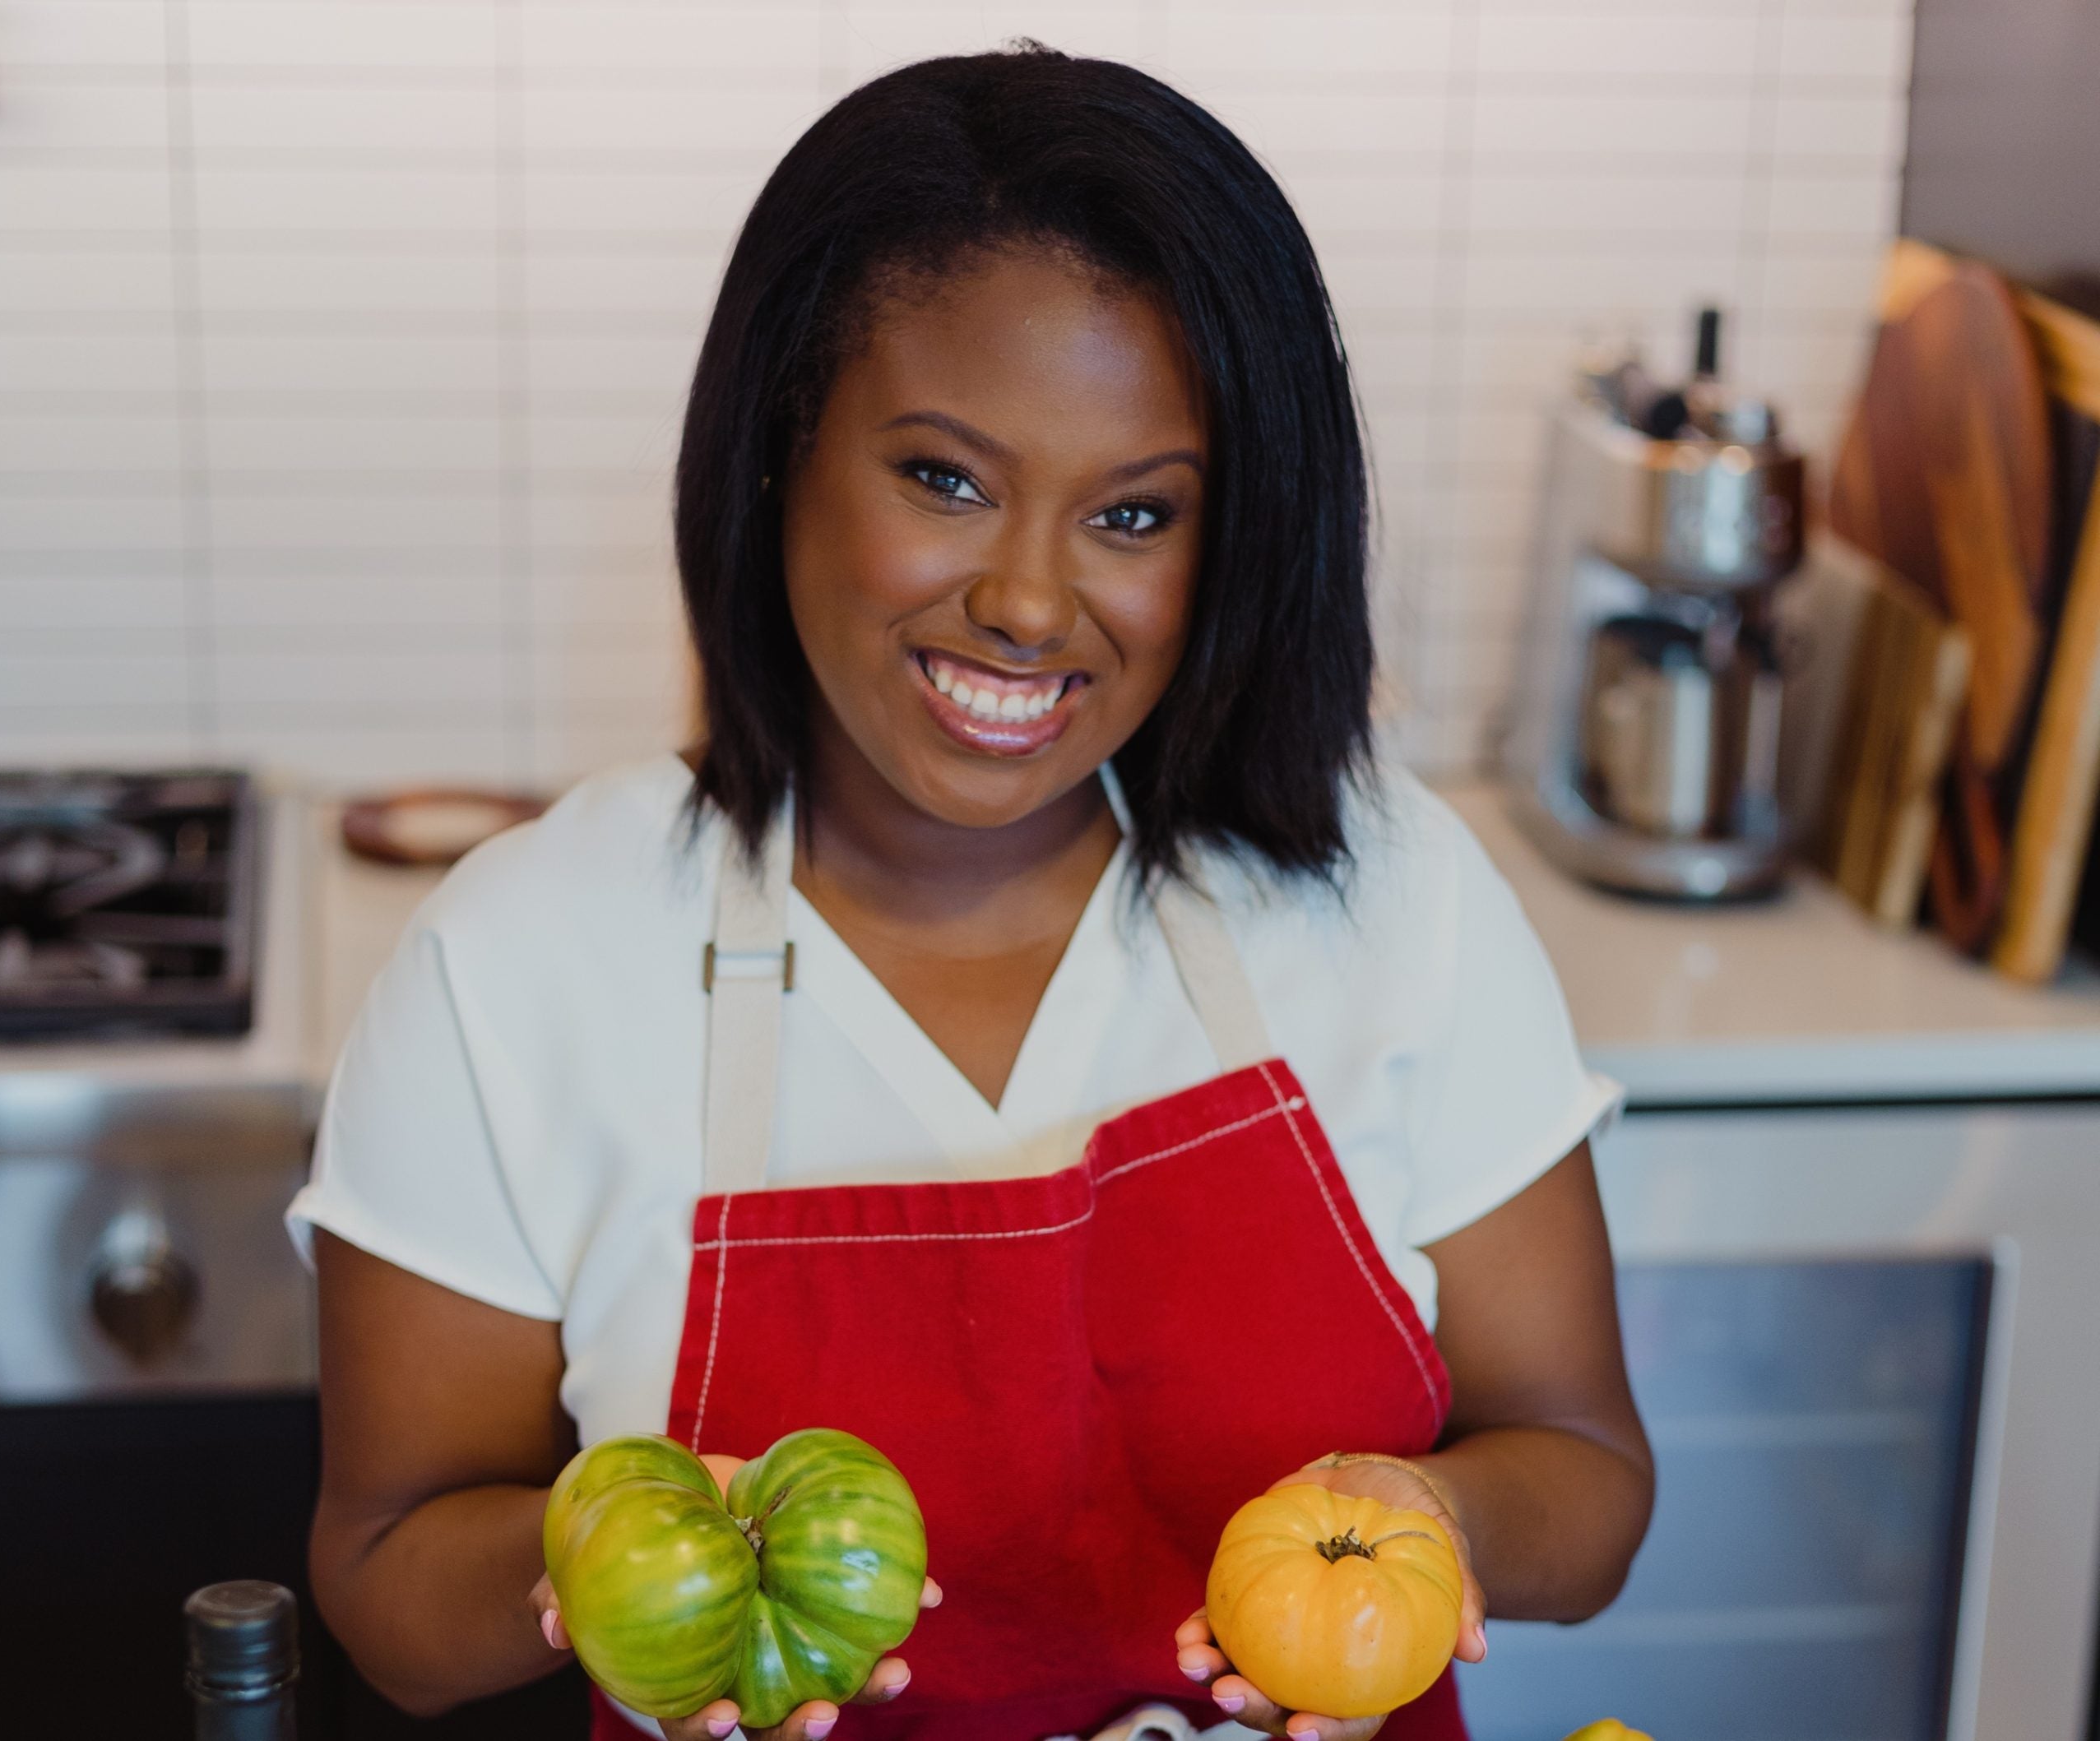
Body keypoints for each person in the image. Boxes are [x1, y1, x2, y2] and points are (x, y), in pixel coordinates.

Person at [293, 44, 1653, 1741]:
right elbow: (392, 1588)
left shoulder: (1392, 901)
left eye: (1134, 515)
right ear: (780, 448)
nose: (1026, 601)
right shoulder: (518, 964)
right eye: (941, 479)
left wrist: (1439, 1532)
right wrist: (610, 1556)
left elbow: (1583, 1478)